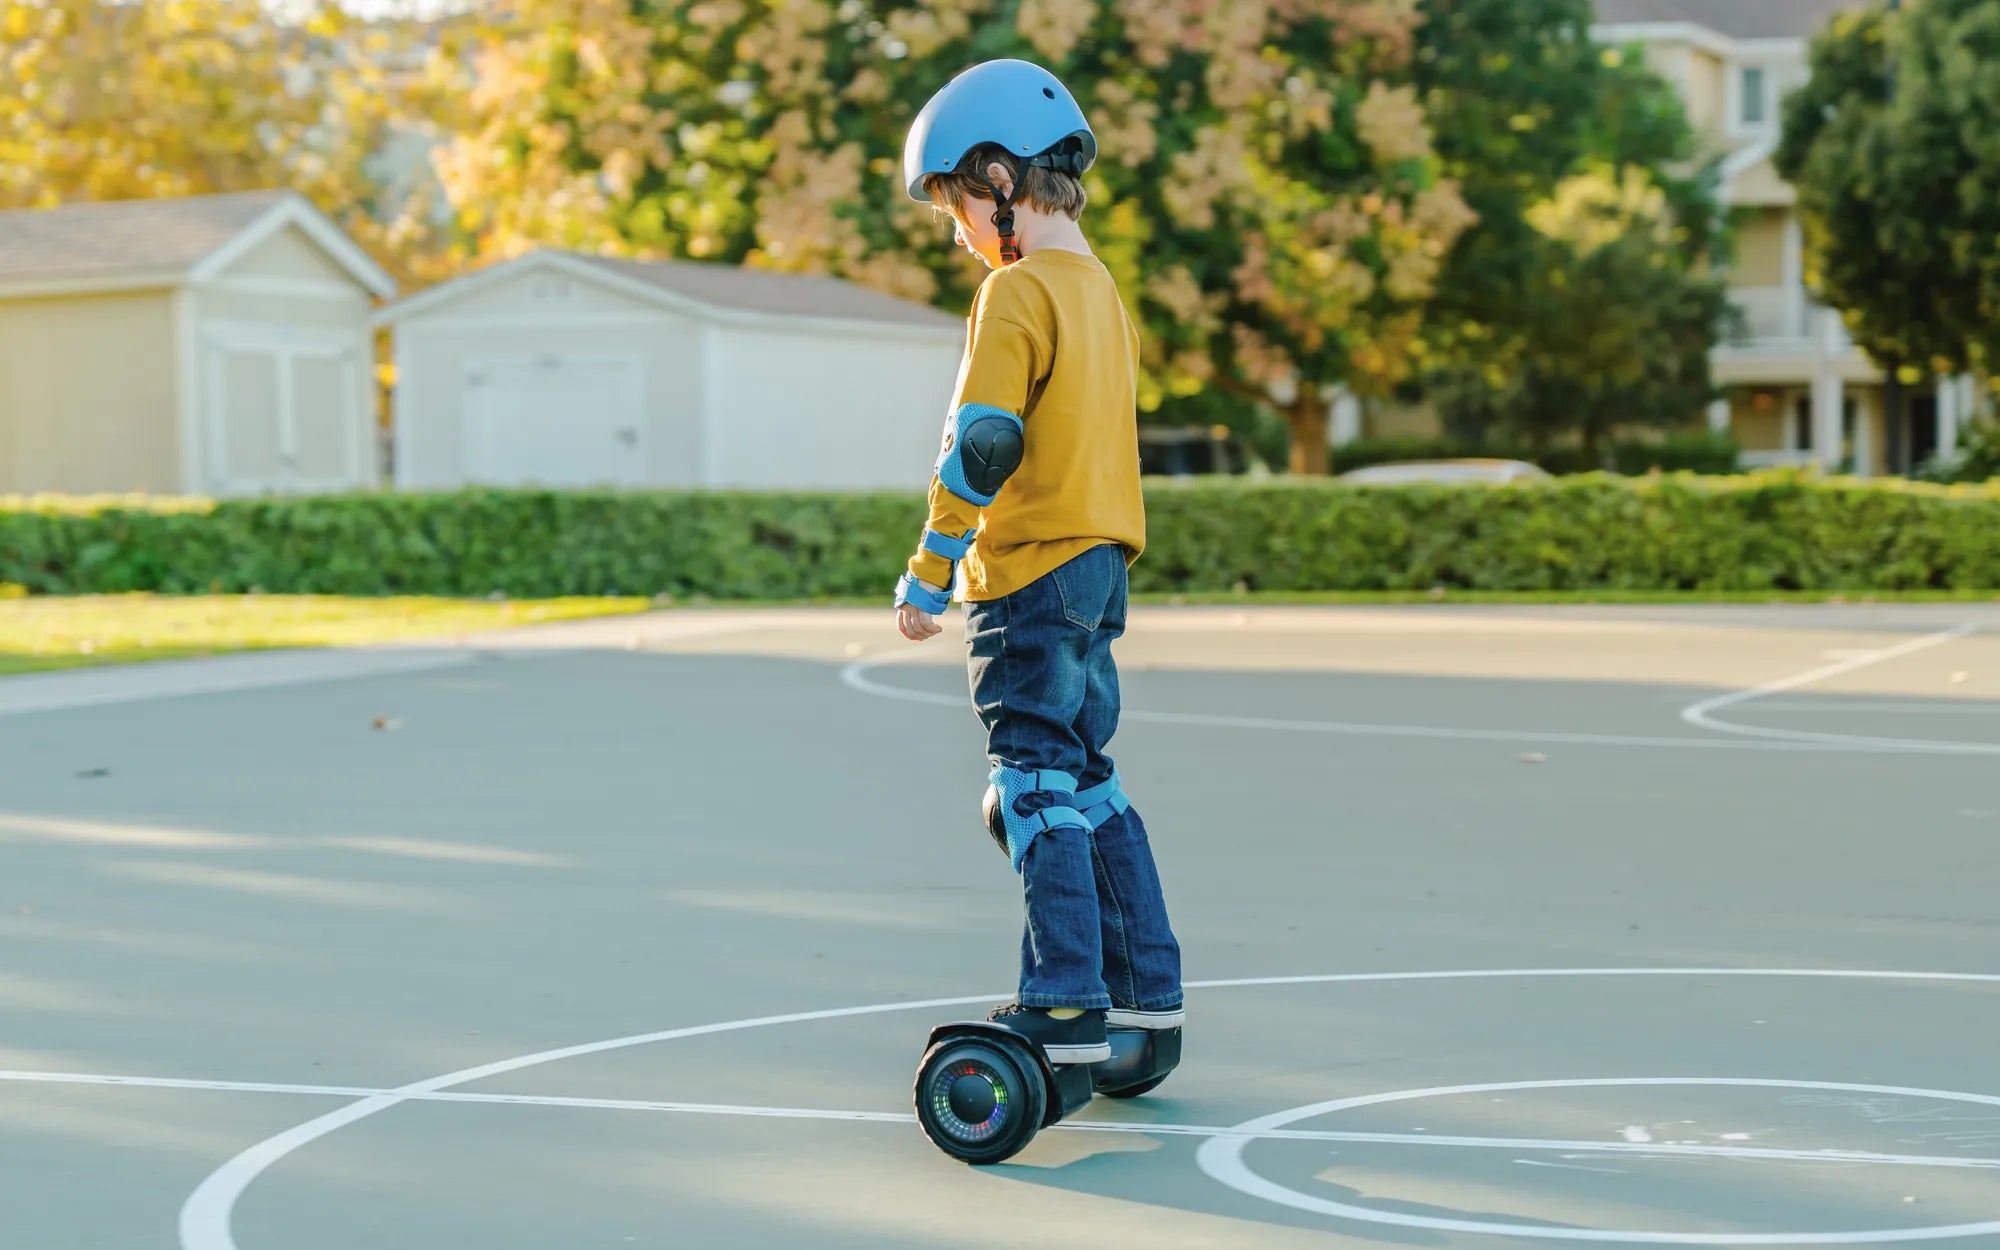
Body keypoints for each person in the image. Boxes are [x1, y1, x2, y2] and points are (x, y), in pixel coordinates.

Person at [892, 59, 1183, 1064]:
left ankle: (1062, 1000)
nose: (958, 232)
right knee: (1088, 781)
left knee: (1030, 784)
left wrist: (931, 566)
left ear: (998, 179)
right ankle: (1147, 1000)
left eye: (956, 207)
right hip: (1100, 569)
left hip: (1024, 572)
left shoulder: (1013, 293)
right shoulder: (1101, 293)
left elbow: (982, 444)